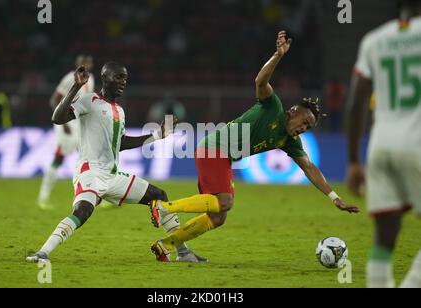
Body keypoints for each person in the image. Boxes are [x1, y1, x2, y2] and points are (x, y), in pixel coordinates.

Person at [148, 31, 359, 262]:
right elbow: (260, 81)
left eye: (309, 128)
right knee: (225, 202)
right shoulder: (273, 106)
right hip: (215, 148)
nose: (304, 129)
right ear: (293, 112)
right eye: (305, 123)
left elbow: (309, 168)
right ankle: (165, 207)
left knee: (218, 217)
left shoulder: (290, 141)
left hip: (222, 156)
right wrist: (278, 55)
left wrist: (334, 197)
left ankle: (168, 245)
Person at [27, 62, 205, 263]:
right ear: (105, 78)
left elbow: (120, 143)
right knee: (82, 212)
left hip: (113, 176)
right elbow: (57, 118)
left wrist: (157, 135)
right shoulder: (89, 101)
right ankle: (43, 252)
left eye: (125, 78)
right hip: (91, 173)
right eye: (118, 77)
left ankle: (182, 252)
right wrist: (76, 86)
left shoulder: (119, 111)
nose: (123, 82)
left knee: (160, 195)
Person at [346, 0, 421, 288]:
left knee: (385, 236)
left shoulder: (374, 40)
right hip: (417, 144)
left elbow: (356, 104)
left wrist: (353, 161)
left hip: (379, 146)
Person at [38, 55, 95, 209]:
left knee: (90, 157)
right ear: (77, 64)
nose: (86, 65)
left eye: (88, 63)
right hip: (66, 122)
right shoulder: (70, 78)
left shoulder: (92, 79)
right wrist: (63, 122)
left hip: (80, 123)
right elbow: (54, 99)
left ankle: (96, 196)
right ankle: (43, 196)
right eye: (83, 62)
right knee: (60, 157)